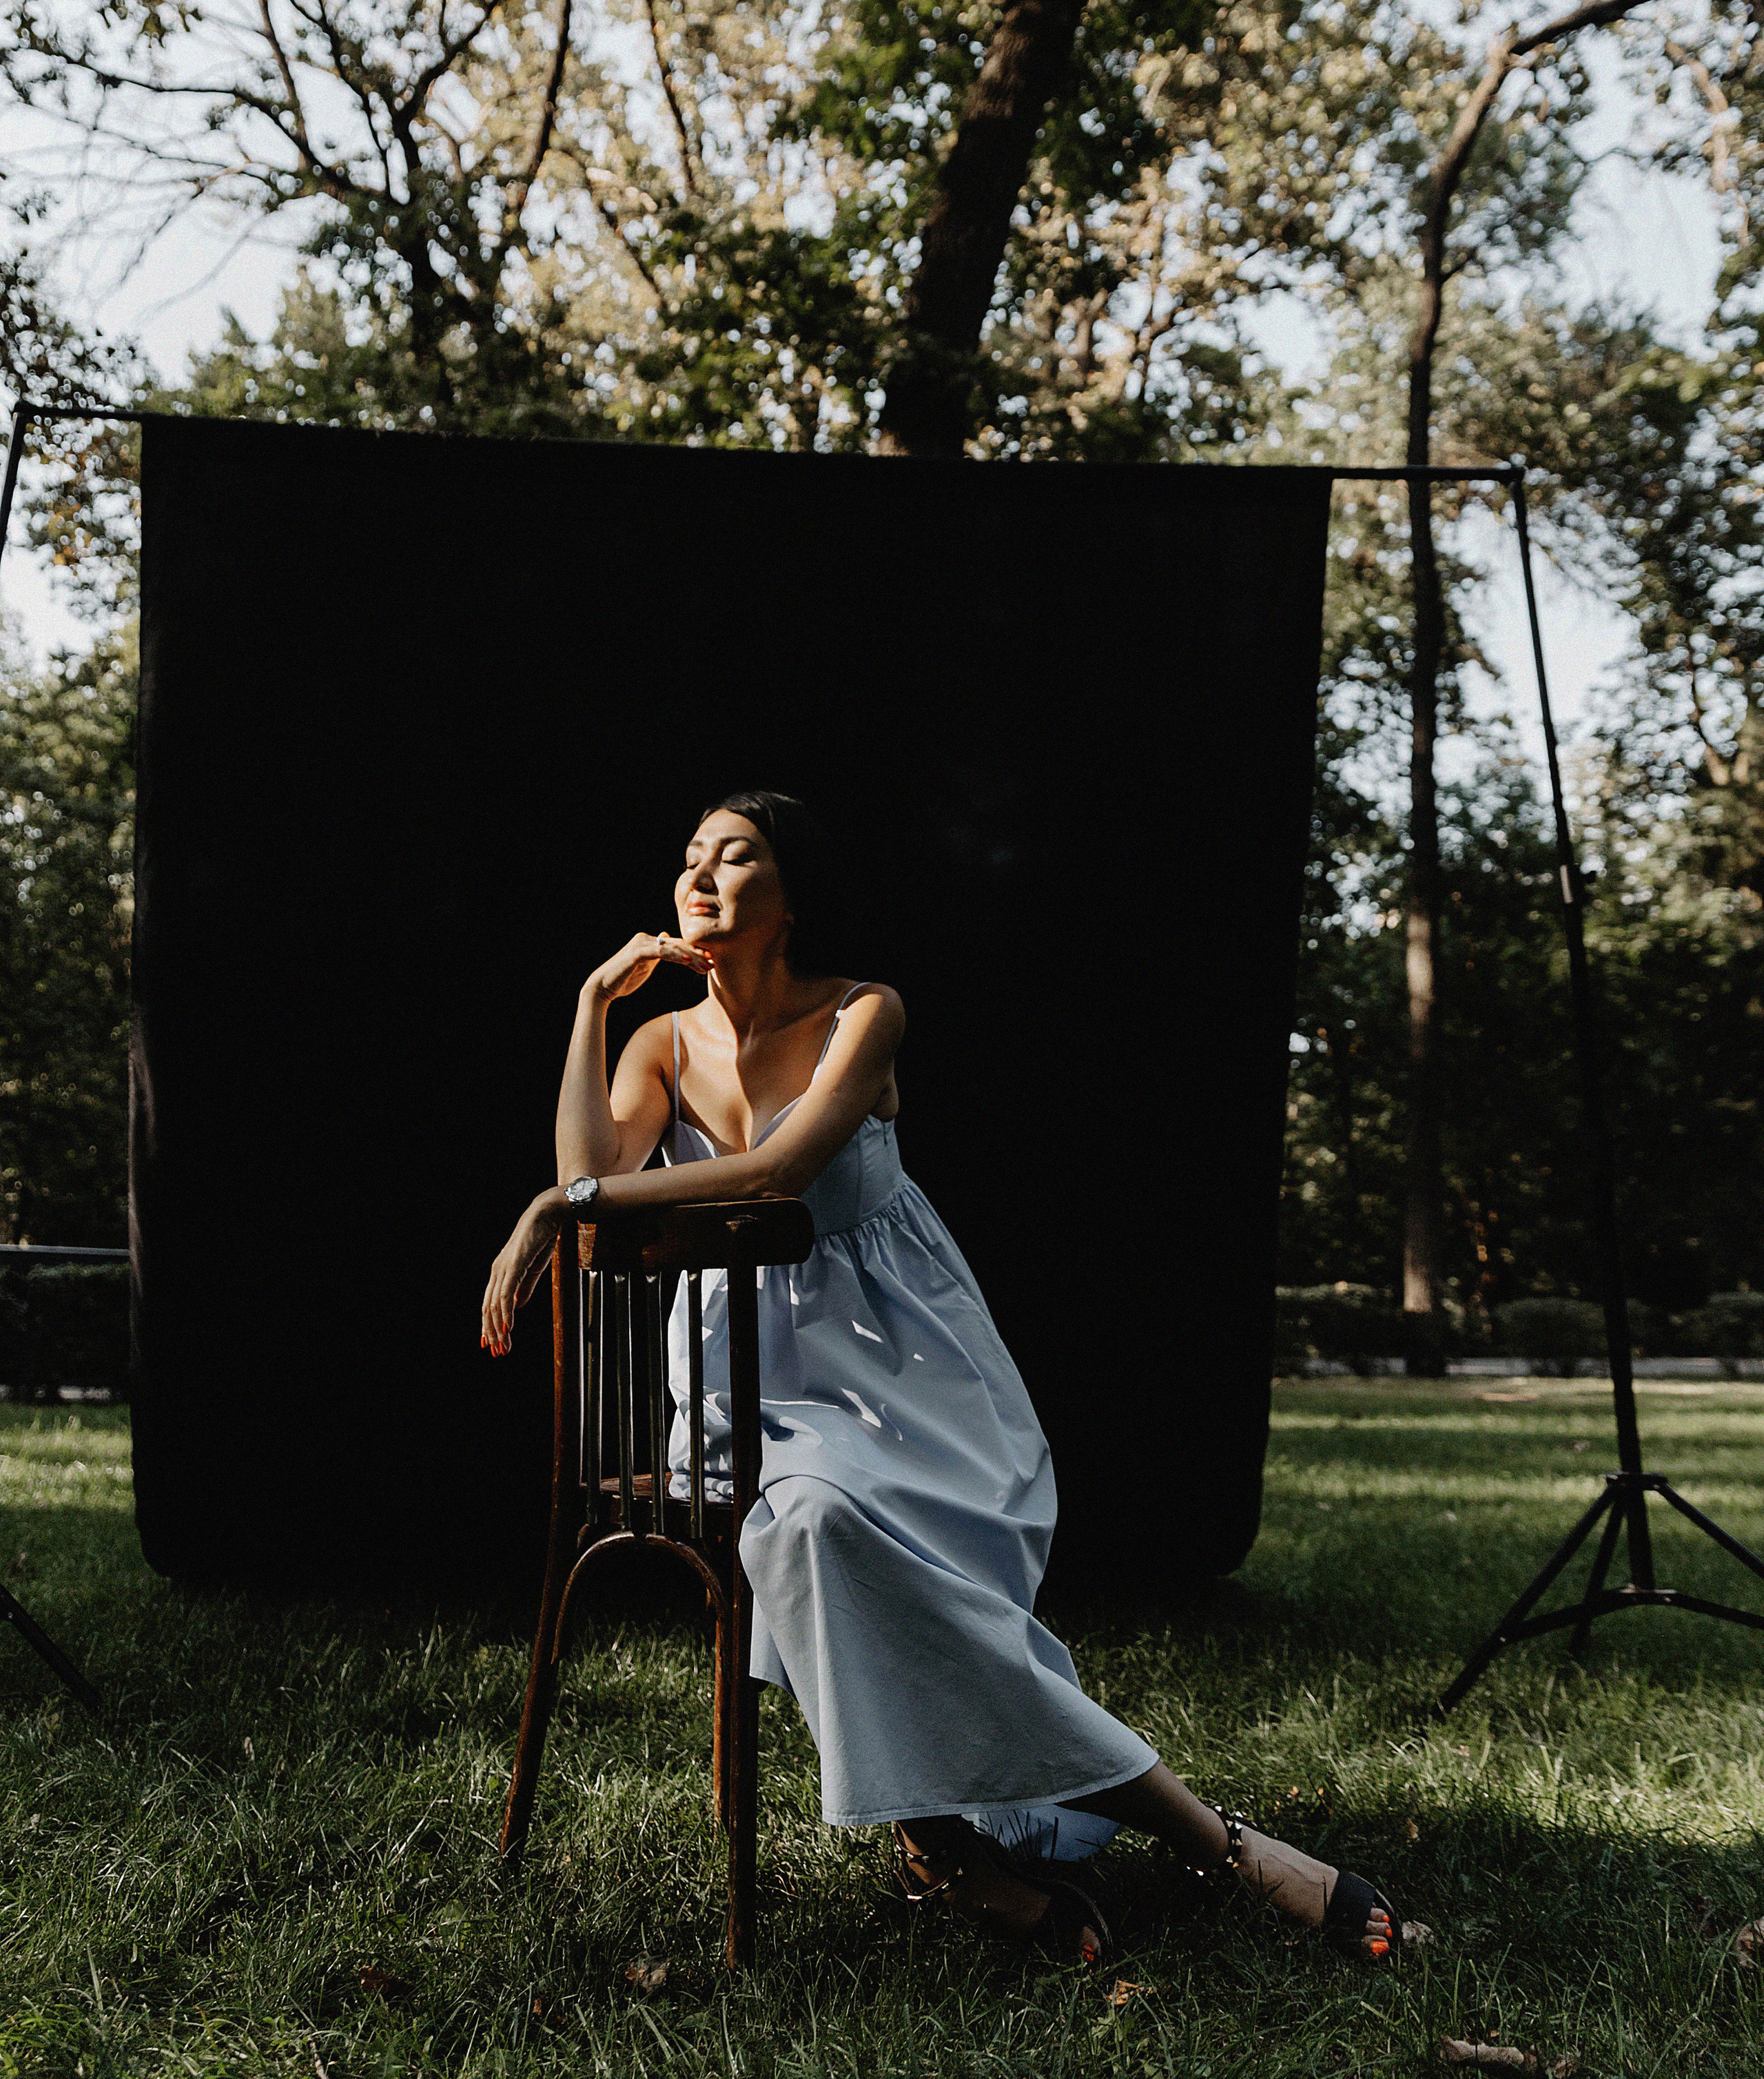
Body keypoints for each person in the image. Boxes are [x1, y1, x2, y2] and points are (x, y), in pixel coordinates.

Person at [481, 792, 1404, 1966]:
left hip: (902, 1364)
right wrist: (586, 1013)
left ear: (794, 892)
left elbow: (774, 1176)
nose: (700, 877)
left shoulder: (865, 1011)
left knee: (836, 1535)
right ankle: (1193, 1840)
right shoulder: (658, 1041)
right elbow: (592, 1174)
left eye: (736, 856)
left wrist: (555, 1211)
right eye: (689, 860)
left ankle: (961, 1846)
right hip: (739, 1379)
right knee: (807, 1521)